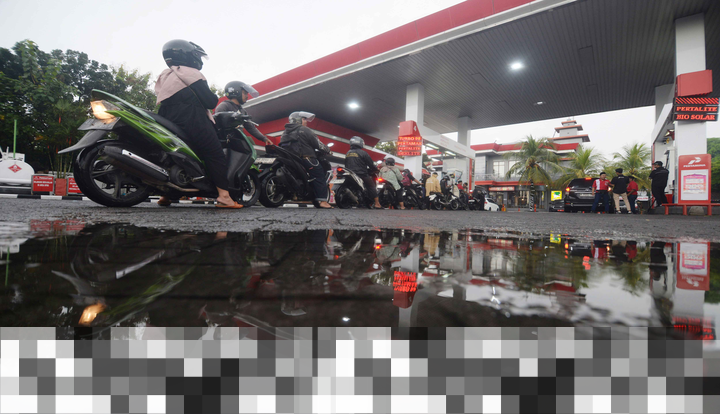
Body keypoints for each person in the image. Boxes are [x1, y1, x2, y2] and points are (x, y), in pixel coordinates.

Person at [154, 39, 242, 209]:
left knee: (175, 154)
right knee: (214, 153)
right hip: (191, 117)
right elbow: (210, 102)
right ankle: (224, 197)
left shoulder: (166, 75)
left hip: (165, 117)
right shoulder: (191, 73)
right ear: (188, 55)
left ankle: (166, 195)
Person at [279, 111, 332, 209]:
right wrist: (327, 150)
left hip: (290, 159)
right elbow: (318, 144)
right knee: (319, 175)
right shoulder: (304, 129)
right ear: (298, 120)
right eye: (304, 119)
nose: (306, 121)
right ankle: (323, 202)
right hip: (306, 158)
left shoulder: (285, 132)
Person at [214, 81, 274, 146]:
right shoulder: (224, 106)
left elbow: (250, 127)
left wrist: (264, 138)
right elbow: (217, 123)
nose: (247, 96)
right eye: (245, 93)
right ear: (236, 92)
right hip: (226, 144)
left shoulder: (242, 111)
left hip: (238, 142)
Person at [344, 136, 382, 209]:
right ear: (360, 143)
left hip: (349, 173)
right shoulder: (363, 153)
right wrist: (375, 169)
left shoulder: (348, 153)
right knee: (371, 186)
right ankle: (377, 203)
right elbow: (370, 164)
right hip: (361, 173)